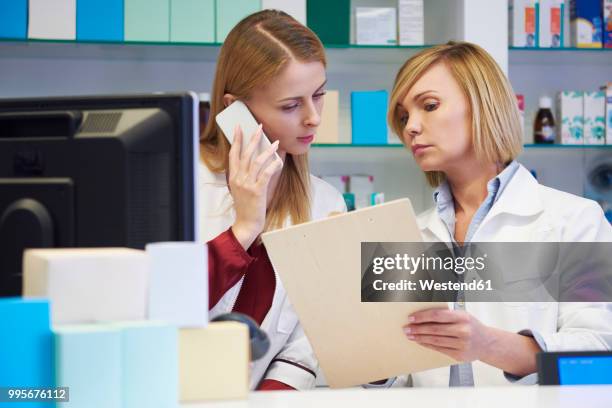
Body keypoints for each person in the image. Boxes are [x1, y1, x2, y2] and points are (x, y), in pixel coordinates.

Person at [385, 41, 612, 387]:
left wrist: (488, 344)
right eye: (403, 117)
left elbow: (599, 356)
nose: (411, 127)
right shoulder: (407, 234)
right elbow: (401, 374)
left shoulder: (576, 220)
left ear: (482, 105)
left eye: (429, 106)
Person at [199, 10, 346, 391]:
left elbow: (306, 340)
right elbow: (161, 312)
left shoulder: (324, 202)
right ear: (236, 110)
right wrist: (244, 229)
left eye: (318, 95)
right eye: (291, 105)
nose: (313, 118)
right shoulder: (186, 186)